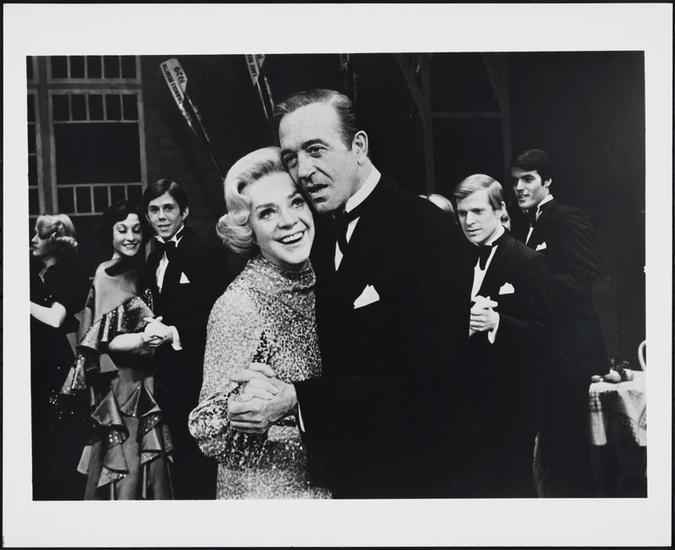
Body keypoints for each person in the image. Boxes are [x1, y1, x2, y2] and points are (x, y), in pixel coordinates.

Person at [226, 89, 491, 498]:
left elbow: (427, 374)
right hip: (356, 479)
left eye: (316, 150)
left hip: (426, 482)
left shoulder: (427, 230)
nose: (304, 170)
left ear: (359, 147)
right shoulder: (317, 235)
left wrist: (297, 399)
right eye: (292, 157)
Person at [188, 147, 331, 499]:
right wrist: (243, 409)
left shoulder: (330, 283)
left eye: (296, 202)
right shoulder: (239, 305)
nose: (289, 221)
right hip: (269, 494)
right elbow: (206, 431)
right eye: (267, 213)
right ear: (248, 230)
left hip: (332, 485)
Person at [511, 148, 608, 497]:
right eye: (515, 181)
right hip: (549, 354)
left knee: (568, 449)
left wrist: (532, 290)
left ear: (547, 180)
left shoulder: (566, 218)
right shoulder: (530, 224)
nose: (519, 187)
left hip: (569, 356)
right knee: (554, 448)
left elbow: (585, 278)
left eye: (528, 179)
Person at [61, 200, 173, 499]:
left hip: (141, 378)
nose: (130, 237)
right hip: (123, 385)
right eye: (122, 230)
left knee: (134, 459)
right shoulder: (109, 274)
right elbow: (106, 341)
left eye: (136, 230)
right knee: (128, 461)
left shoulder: (135, 270)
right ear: (109, 234)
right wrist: (145, 339)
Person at [453, 174, 553, 497]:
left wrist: (498, 322)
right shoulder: (457, 261)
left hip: (511, 406)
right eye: (462, 213)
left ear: (499, 211)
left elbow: (547, 337)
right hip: (467, 404)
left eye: (478, 211)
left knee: (512, 490)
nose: (469, 221)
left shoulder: (528, 261)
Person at [141, 179, 218, 499]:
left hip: (198, 373)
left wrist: (173, 333)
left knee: (202, 456)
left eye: (168, 208)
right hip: (166, 374)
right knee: (181, 457)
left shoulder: (205, 252)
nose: (161, 216)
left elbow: (216, 317)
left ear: (184, 212)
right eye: (154, 210)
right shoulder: (151, 258)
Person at [30, 214, 89, 499]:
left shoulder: (69, 274)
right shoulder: (30, 271)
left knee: (59, 440)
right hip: (33, 361)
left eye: (39, 236)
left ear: (54, 241)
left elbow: (55, 319)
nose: (32, 240)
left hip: (57, 364)